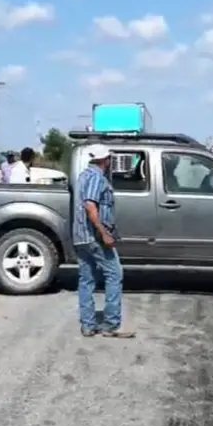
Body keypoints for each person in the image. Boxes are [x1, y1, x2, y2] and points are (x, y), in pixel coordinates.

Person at [72, 144, 135, 339]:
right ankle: (111, 324)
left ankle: (88, 325)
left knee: (86, 279)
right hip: (94, 237)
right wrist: (104, 233)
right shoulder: (96, 178)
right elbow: (91, 206)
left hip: (80, 237)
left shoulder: (83, 176)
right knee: (115, 273)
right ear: (105, 160)